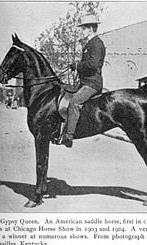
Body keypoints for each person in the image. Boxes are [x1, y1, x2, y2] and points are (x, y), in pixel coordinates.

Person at [60, 14, 106, 148]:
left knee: (74, 102)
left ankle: (68, 136)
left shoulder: (96, 43)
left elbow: (94, 64)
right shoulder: (89, 44)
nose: (81, 31)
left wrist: (77, 65)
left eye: (84, 28)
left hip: (92, 84)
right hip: (85, 82)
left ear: (91, 28)